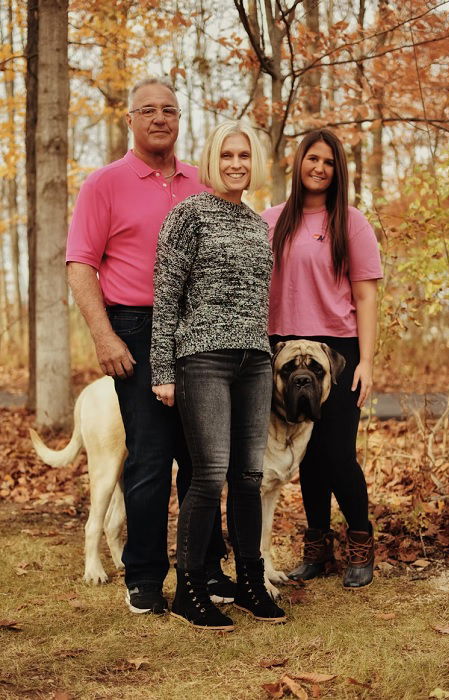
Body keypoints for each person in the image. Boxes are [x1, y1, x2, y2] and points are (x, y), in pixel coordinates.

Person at [66, 77, 232, 614]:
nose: (160, 119)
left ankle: (205, 569)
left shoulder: (201, 183)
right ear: (130, 119)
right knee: (152, 458)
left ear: (179, 120)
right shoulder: (104, 184)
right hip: (134, 327)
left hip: (198, 326)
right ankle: (142, 576)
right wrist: (104, 334)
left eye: (170, 110)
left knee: (204, 458)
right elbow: (80, 265)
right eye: (149, 110)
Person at [150, 121, 286, 631]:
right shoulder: (189, 215)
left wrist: (267, 355)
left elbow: (258, 301)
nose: (236, 164)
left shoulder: (256, 224)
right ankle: (189, 589)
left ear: (255, 163)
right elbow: (167, 297)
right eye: (227, 154)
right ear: (212, 159)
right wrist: (163, 369)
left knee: (248, 476)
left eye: (244, 156)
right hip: (202, 358)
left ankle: (250, 581)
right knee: (208, 476)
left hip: (254, 360)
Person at [263, 128, 382, 589]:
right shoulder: (270, 220)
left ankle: (360, 541)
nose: (319, 168)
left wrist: (366, 361)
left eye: (329, 162)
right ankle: (316, 548)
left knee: (335, 452)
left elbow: (366, 297)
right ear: (298, 164)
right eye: (312, 159)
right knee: (305, 456)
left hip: (337, 351)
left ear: (339, 171)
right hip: (281, 351)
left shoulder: (351, 223)